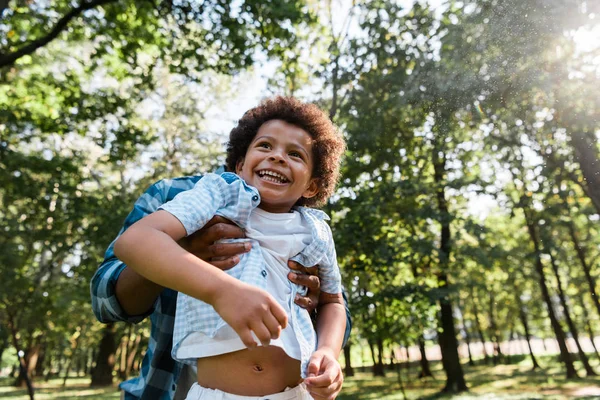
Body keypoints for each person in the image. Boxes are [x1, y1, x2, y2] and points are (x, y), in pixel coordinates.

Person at [91, 97, 351, 400]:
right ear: (239, 165)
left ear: (312, 186)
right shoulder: (205, 194)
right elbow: (129, 250)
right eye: (265, 146)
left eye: (295, 154)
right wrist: (220, 289)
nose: (278, 157)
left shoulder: (315, 230)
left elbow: (335, 301)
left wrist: (328, 352)